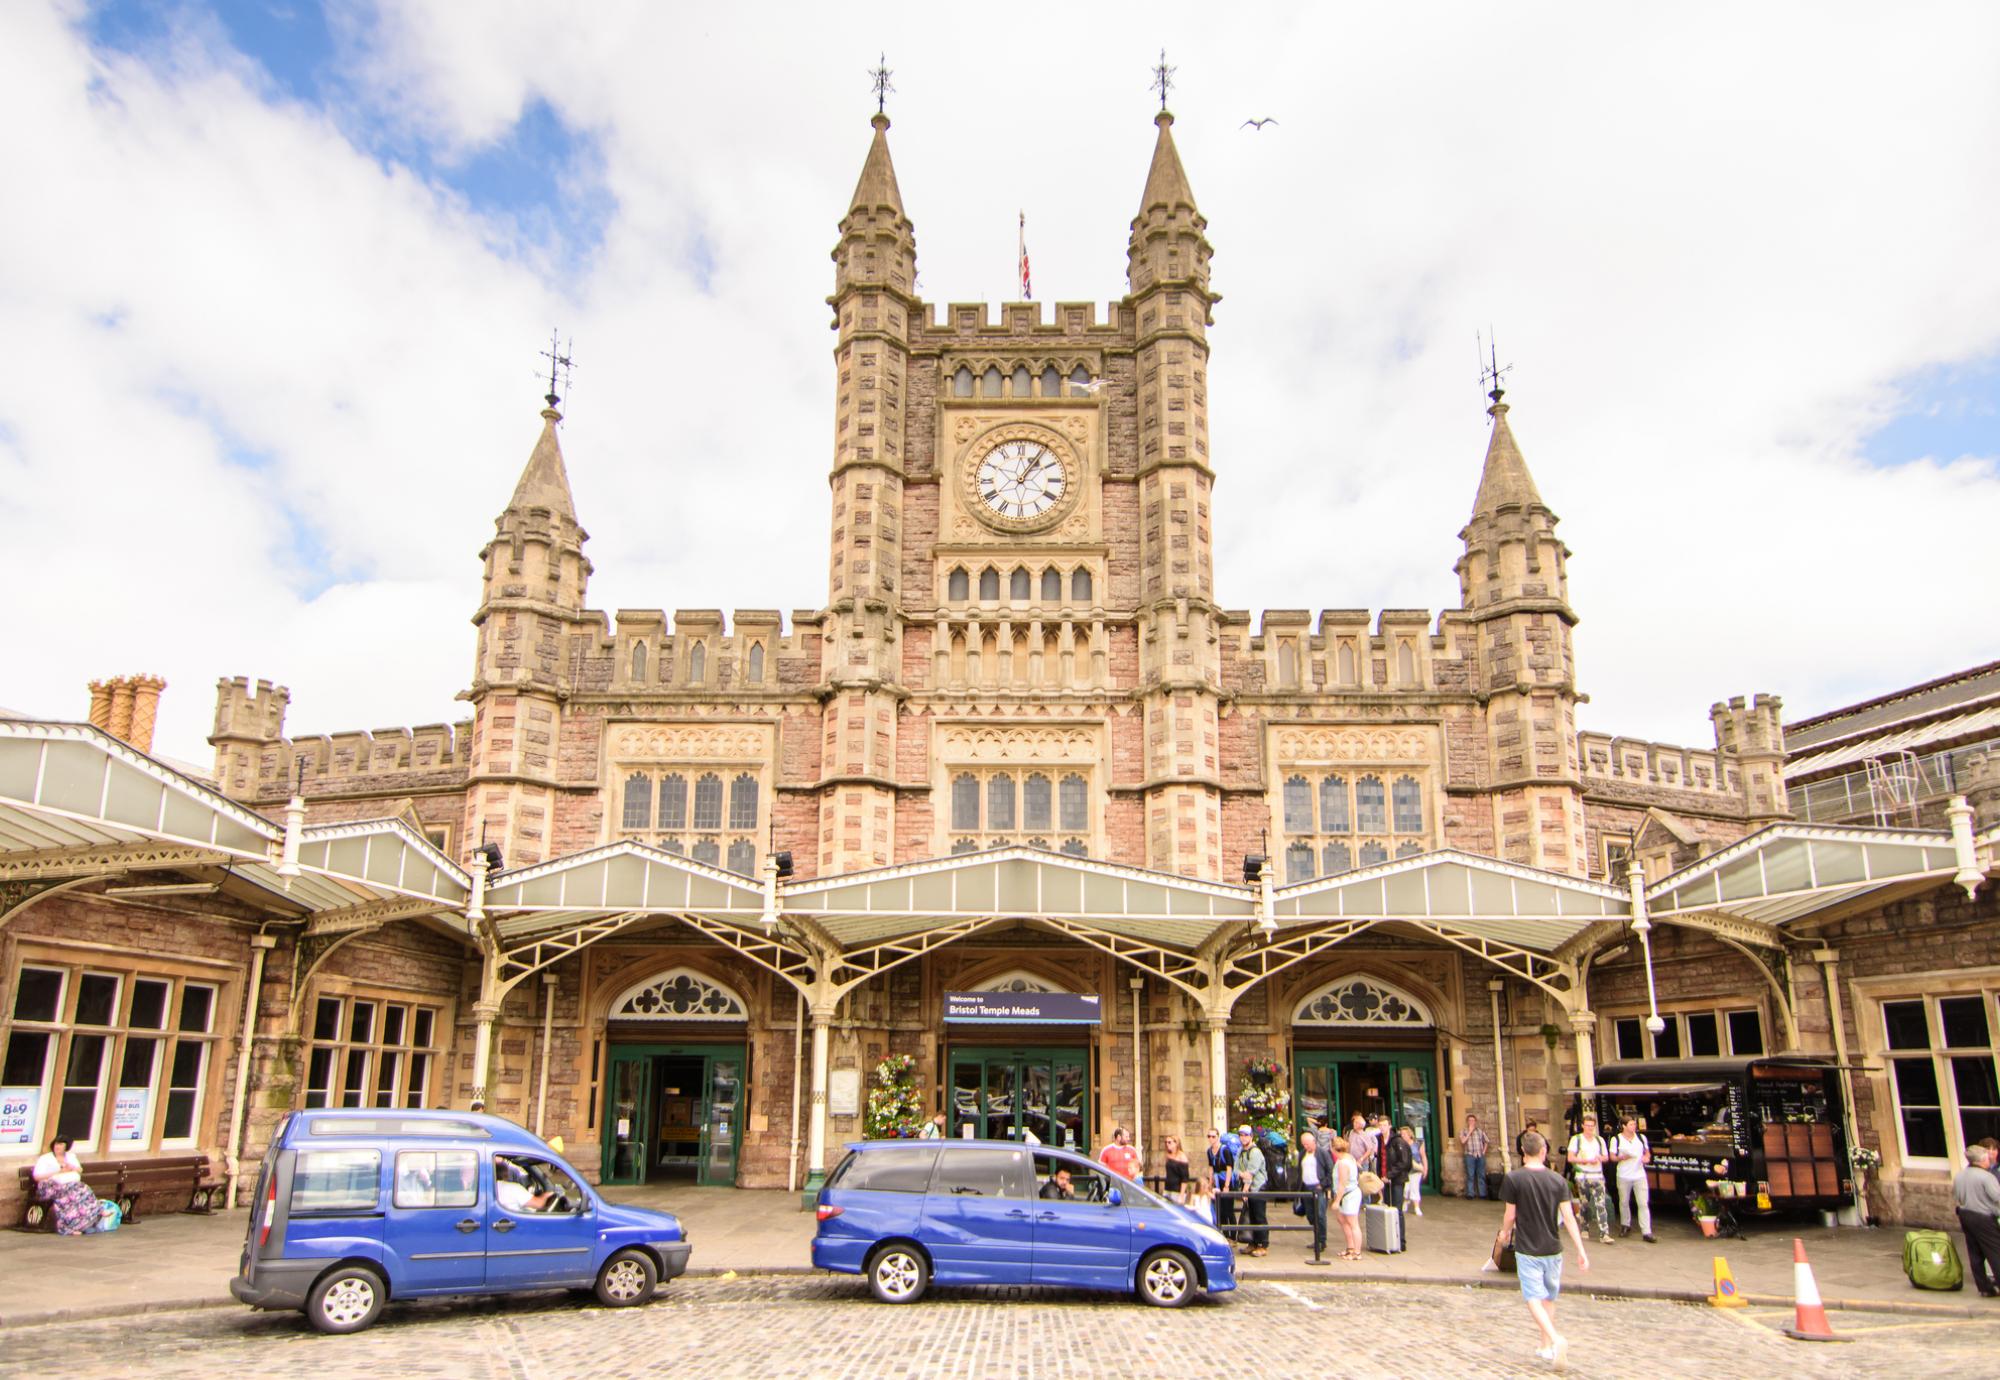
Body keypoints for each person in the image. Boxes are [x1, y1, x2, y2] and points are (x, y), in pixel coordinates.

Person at [1500, 1129, 1591, 1366]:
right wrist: (1580, 1249)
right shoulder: (1558, 1180)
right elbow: (1569, 1218)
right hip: (1553, 1247)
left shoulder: (1514, 1179)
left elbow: (1510, 1215)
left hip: (1528, 1248)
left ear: (1523, 1151)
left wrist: (1504, 1233)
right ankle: (1545, 1346)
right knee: (1549, 1299)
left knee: (1532, 1297)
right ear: (1543, 1151)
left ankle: (1554, 1338)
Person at [1953, 1144, 2000, 1298]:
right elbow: (1997, 1197)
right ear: (1980, 1161)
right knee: (1996, 1252)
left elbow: (1957, 1196)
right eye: (1986, 1158)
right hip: (1984, 1218)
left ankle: (1984, 1288)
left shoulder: (1959, 1175)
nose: (1989, 1160)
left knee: (1975, 1252)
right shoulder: (1986, 1177)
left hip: (1965, 1215)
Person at [31, 1136, 101, 1237]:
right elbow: (37, 1177)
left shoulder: (70, 1157)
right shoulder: (45, 1158)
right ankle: (66, 1228)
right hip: (48, 1187)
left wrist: (71, 1167)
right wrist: (58, 1172)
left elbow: (80, 1170)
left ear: (66, 1146)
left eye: (60, 1144)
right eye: (56, 1144)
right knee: (68, 1195)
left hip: (67, 1185)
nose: (57, 1147)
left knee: (82, 1189)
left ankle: (84, 1221)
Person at [1565, 1113, 1614, 1244]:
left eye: (1592, 1126)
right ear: (1583, 1126)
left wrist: (1599, 1158)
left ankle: (1604, 1233)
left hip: (1597, 1175)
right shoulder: (1576, 1139)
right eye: (1587, 1125)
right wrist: (1585, 1161)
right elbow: (1570, 1157)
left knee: (1600, 1204)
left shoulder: (1599, 1140)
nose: (1590, 1128)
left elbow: (1606, 1157)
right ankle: (1584, 1228)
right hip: (1583, 1175)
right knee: (1584, 1204)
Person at [1610, 1114, 1655, 1242]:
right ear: (1624, 1126)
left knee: (1643, 1203)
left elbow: (1647, 1152)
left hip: (1639, 1174)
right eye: (1631, 1124)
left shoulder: (1641, 1137)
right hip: (1624, 1174)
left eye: (1634, 1124)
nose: (1634, 1126)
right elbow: (1612, 1157)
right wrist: (1621, 1157)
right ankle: (1625, 1224)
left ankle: (1646, 1231)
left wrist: (1646, 1158)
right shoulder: (1616, 1139)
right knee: (1624, 1201)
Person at [1297, 1130, 1333, 1260]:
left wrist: (1323, 1185)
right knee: (1310, 1214)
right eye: (1303, 1144)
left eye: (1307, 1144)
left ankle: (1322, 1240)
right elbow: (1299, 1170)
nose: (1305, 1146)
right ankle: (1317, 1237)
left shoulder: (1322, 1153)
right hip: (1306, 1187)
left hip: (1318, 1188)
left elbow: (1330, 1170)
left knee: (1320, 1215)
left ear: (1313, 1142)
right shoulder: (1302, 1154)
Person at [1237, 1123, 1269, 1256]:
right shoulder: (1241, 1151)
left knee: (1259, 1216)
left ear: (1251, 1136)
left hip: (1257, 1188)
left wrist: (1245, 1189)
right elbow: (1236, 1169)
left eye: (1246, 1135)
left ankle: (1263, 1245)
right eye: (1241, 1135)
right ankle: (1253, 1243)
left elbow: (1250, 1173)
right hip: (1249, 1189)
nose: (1243, 1138)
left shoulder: (1255, 1152)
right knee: (1251, 1216)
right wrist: (1242, 1174)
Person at [1332, 1135, 1364, 1260]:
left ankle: (1357, 1253)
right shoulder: (1348, 1157)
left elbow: (1342, 1183)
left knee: (1353, 1223)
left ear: (1334, 1149)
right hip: (1348, 1194)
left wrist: (1337, 1201)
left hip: (1349, 1195)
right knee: (1342, 1220)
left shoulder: (1343, 1163)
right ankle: (1350, 1248)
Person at [1206, 1128, 1238, 1235]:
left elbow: (1229, 1168)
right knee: (1220, 1210)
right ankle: (1225, 1234)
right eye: (1209, 1136)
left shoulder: (1225, 1150)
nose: (1211, 1139)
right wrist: (1210, 1183)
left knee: (1229, 1210)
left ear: (1218, 1137)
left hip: (1226, 1181)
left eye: (1213, 1136)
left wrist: (1227, 1185)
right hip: (1217, 1182)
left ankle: (1233, 1235)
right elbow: (1211, 1167)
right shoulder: (1209, 1151)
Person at [1383, 1122, 1414, 1212]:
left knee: (1397, 1207)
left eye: (1384, 1125)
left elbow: (1404, 1162)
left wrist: (1389, 1174)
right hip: (1389, 1177)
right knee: (1388, 1205)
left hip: (1398, 1177)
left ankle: (1399, 1221)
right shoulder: (1387, 1142)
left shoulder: (1399, 1142)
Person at [1462, 1114, 1491, 1199]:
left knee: (1481, 1174)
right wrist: (1469, 1132)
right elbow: (1463, 1141)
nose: (1471, 1122)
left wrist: (1484, 1152)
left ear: (1475, 1122)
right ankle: (1470, 1194)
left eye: (1473, 1120)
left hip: (1479, 1155)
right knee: (1470, 1175)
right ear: (1467, 1122)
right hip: (1470, 1155)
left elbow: (1486, 1141)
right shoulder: (1464, 1131)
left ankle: (1482, 1194)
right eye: (1470, 1120)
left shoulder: (1480, 1131)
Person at [1162, 1134, 1191, 1202]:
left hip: (1177, 1190)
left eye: (1169, 1142)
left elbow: (1185, 1178)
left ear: (1176, 1143)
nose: (1167, 1144)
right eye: (1166, 1142)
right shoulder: (1168, 1155)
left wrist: (1181, 1195)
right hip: (1167, 1188)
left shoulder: (1182, 1157)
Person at [1406, 1127, 1428, 1217]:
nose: (1403, 1136)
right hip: (1405, 1169)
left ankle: (1416, 1207)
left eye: (1405, 1134)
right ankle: (1406, 1201)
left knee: (1414, 1188)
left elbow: (1423, 1156)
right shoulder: (1401, 1143)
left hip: (1416, 1168)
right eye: (1402, 1134)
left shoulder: (1417, 1143)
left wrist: (1425, 1168)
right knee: (1406, 1189)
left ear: (1410, 1134)